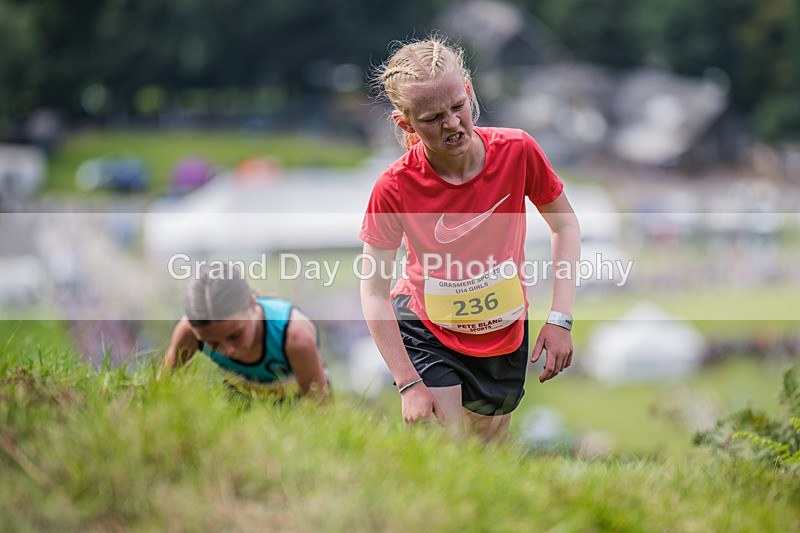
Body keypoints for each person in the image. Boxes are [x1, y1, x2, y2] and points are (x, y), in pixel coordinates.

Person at [360, 35, 580, 442]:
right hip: (427, 327)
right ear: (404, 122)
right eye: (431, 118)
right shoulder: (393, 186)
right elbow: (373, 291)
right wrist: (408, 383)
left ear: (470, 91)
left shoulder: (518, 150)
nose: (451, 124)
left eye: (457, 106)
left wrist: (560, 317)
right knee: (446, 448)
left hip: (503, 329)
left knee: (488, 453)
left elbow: (565, 225)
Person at [164, 264, 329, 400]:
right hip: (239, 396)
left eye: (235, 335)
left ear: (253, 303)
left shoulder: (294, 337)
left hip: (295, 399)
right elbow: (163, 388)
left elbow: (320, 409)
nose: (228, 351)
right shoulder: (190, 331)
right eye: (212, 343)